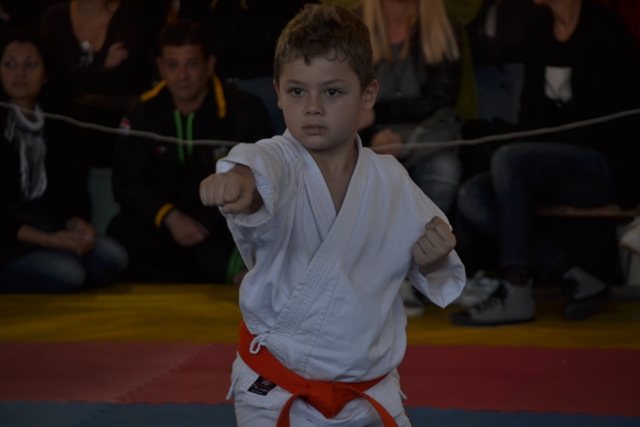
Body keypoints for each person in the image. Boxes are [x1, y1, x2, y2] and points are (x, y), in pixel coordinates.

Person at [199, 5, 465, 426]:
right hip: (277, 391)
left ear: (368, 95)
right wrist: (238, 182)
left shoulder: (389, 179)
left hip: (368, 392)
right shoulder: (277, 160)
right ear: (278, 92)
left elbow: (433, 269)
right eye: (297, 91)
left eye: (333, 92)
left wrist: (433, 257)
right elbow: (258, 171)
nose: (313, 108)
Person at [453, 0, 640, 325]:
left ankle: (516, 287)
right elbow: (532, 119)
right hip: (552, 167)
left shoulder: (606, 30)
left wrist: (537, 153)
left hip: (606, 167)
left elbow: (606, 125)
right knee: (473, 194)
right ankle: (575, 276)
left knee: (512, 159)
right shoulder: (539, 32)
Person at [107, 19, 273, 284]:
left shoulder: (243, 108)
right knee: (120, 231)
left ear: (210, 64)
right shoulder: (142, 112)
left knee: (246, 235)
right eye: (173, 65)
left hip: (221, 226)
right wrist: (170, 217)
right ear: (161, 67)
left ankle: (220, 265)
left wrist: (213, 221)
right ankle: (218, 269)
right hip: (167, 227)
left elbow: (264, 180)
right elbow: (127, 183)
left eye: (192, 64)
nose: (182, 75)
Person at [0, 27, 128, 293]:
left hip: (48, 227)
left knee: (112, 258)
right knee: (69, 274)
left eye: (30, 65)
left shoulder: (58, 122)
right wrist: (50, 241)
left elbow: (70, 190)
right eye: (10, 64)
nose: (20, 73)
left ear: (46, 74)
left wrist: (77, 225)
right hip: (9, 238)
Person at [358, 0, 463, 217]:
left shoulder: (443, 28)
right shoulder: (350, 27)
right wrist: (371, 137)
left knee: (444, 168)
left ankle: (426, 238)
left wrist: (378, 113)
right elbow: (340, 100)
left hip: (424, 139)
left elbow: (440, 101)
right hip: (364, 140)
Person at [40, 0, 156, 167]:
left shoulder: (129, 14)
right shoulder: (55, 18)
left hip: (117, 137)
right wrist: (102, 67)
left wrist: (75, 75)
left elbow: (118, 81)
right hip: (62, 137)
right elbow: (52, 78)